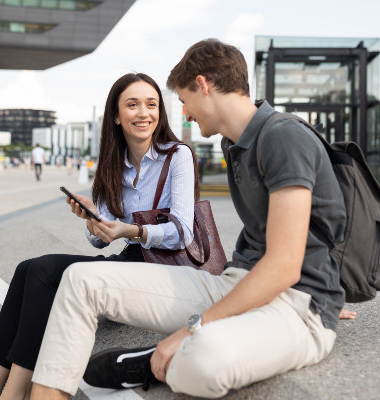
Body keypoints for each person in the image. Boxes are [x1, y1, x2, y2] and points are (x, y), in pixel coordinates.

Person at [25, 39, 354, 400]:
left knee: (205, 361)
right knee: (80, 279)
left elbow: (284, 268)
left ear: (203, 85)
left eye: (183, 100)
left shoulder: (283, 136)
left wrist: (191, 330)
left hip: (300, 309)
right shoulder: (238, 143)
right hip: (236, 285)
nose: (185, 113)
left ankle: (149, 360)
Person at [0, 72, 198, 400]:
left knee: (42, 272)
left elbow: (183, 232)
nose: (144, 113)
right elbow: (101, 238)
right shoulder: (113, 163)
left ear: (160, 112)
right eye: (133, 105)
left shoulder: (177, 155)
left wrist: (134, 231)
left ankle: (13, 393)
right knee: (27, 268)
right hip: (131, 261)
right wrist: (92, 221)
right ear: (115, 115)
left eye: (151, 104)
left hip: (170, 271)